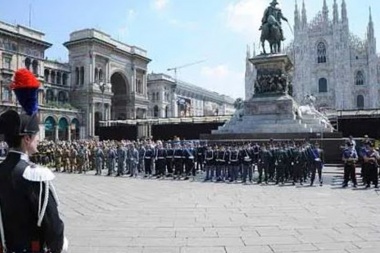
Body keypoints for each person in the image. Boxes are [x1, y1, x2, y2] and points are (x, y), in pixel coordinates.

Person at [0, 68, 68, 252]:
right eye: (37, 135)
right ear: (27, 138)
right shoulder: (33, 175)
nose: (39, 139)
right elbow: (53, 226)